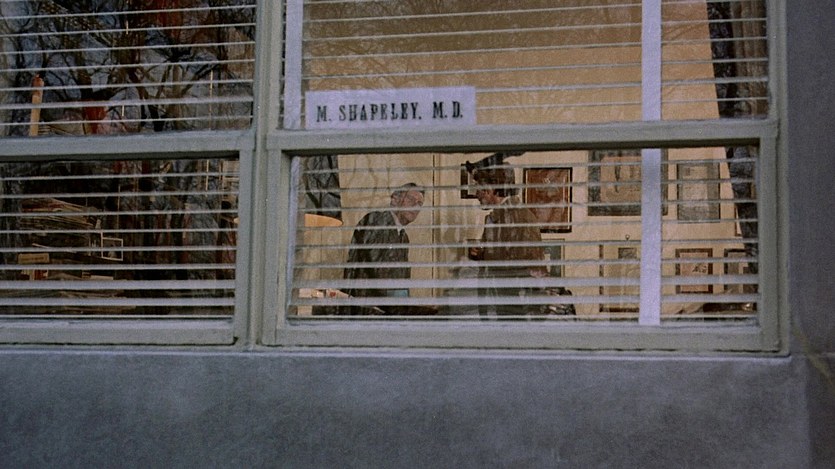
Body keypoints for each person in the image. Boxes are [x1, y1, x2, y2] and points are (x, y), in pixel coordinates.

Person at [468, 165, 548, 317]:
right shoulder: (496, 217)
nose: (476, 194)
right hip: (501, 306)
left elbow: (531, 269)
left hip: (515, 310)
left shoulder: (520, 218)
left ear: (490, 188)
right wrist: (481, 254)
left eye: (478, 188)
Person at [341, 183, 425, 312]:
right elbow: (378, 271)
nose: (415, 206)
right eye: (410, 199)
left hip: (385, 311)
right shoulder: (376, 220)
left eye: (419, 204)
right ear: (395, 199)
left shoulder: (404, 237)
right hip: (365, 312)